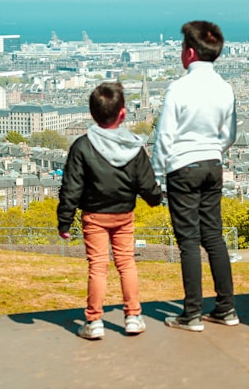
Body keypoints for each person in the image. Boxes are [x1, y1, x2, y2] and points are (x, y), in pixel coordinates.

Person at [57, 82, 163, 340]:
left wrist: (64, 221)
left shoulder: (82, 146)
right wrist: (156, 199)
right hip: (124, 215)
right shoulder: (133, 147)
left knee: (98, 267)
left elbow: (71, 186)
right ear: (123, 113)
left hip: (93, 215)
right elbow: (146, 183)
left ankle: (94, 321)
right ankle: (133, 317)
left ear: (92, 113)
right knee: (126, 263)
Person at [152, 20, 239, 332]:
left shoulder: (179, 88)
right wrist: (213, 150)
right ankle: (226, 308)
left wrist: (158, 177)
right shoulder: (225, 88)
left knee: (188, 240)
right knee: (213, 236)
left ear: (188, 53)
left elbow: (164, 136)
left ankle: (191, 314)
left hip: (182, 167)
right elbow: (230, 134)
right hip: (212, 164)